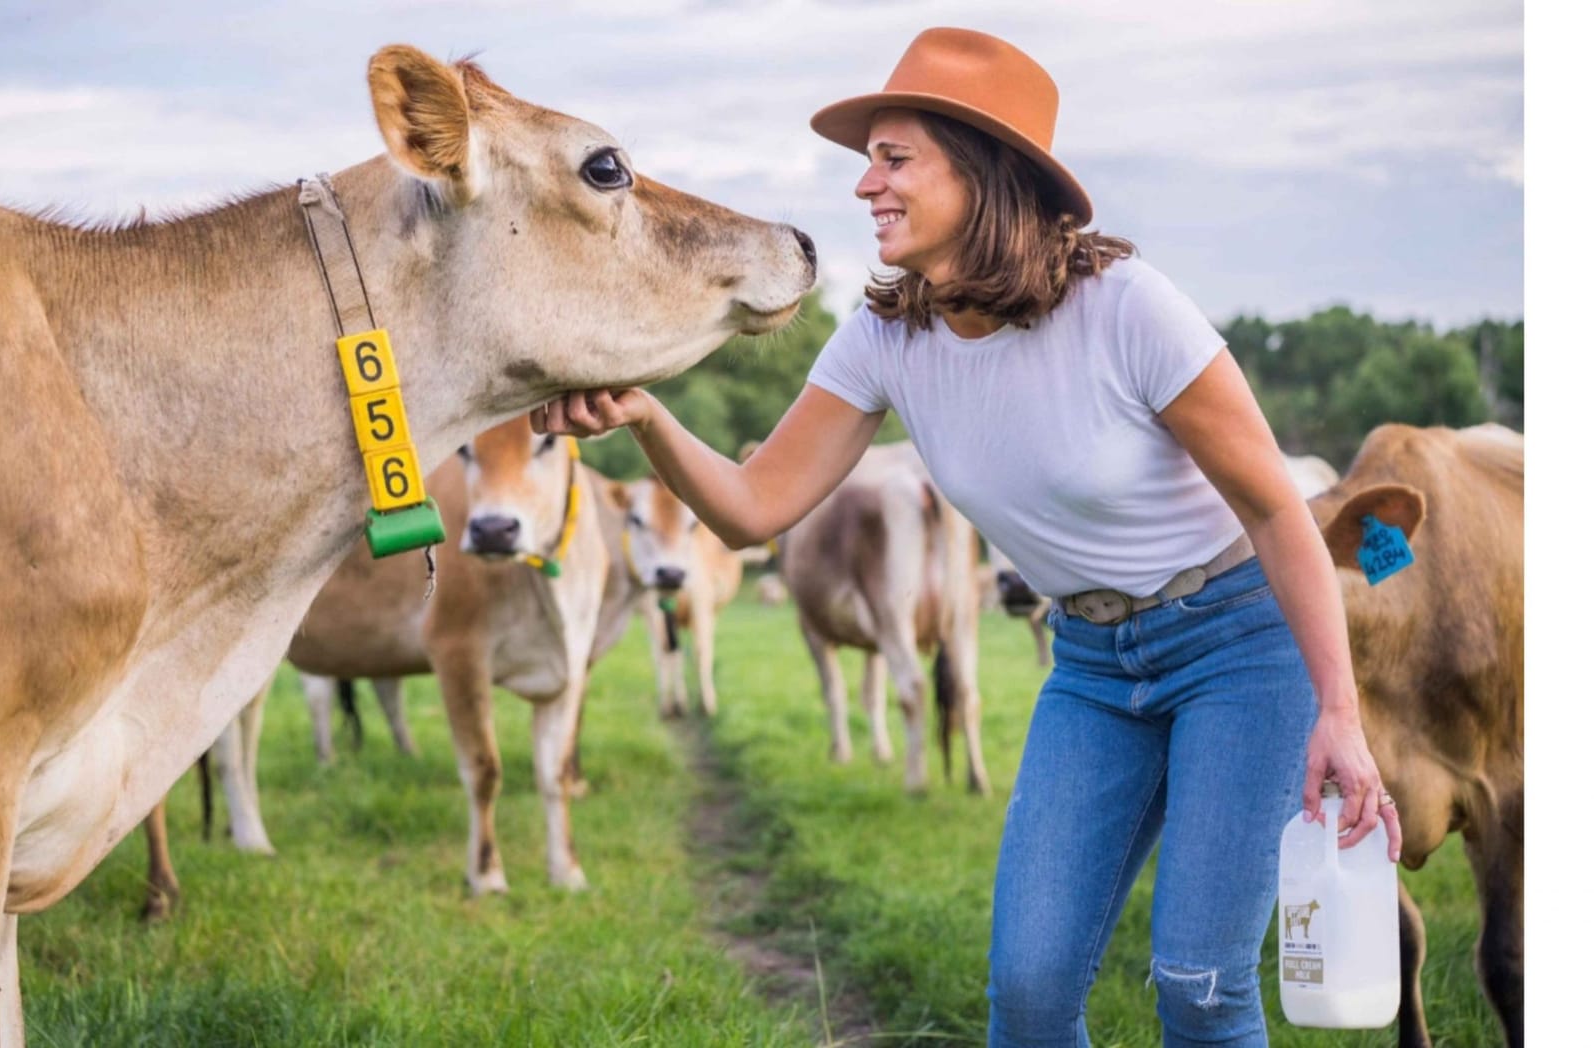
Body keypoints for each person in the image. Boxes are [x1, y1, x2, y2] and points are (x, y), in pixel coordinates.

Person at [532, 27, 1401, 1048]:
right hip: (1088, 664)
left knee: (1199, 986)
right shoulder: (884, 339)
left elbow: (1271, 510)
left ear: (982, 176)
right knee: (1028, 995)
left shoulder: (1127, 311)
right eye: (867, 161)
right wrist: (646, 415)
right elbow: (754, 506)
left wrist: (1337, 711)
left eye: (892, 158)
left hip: (1236, 646)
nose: (864, 186)